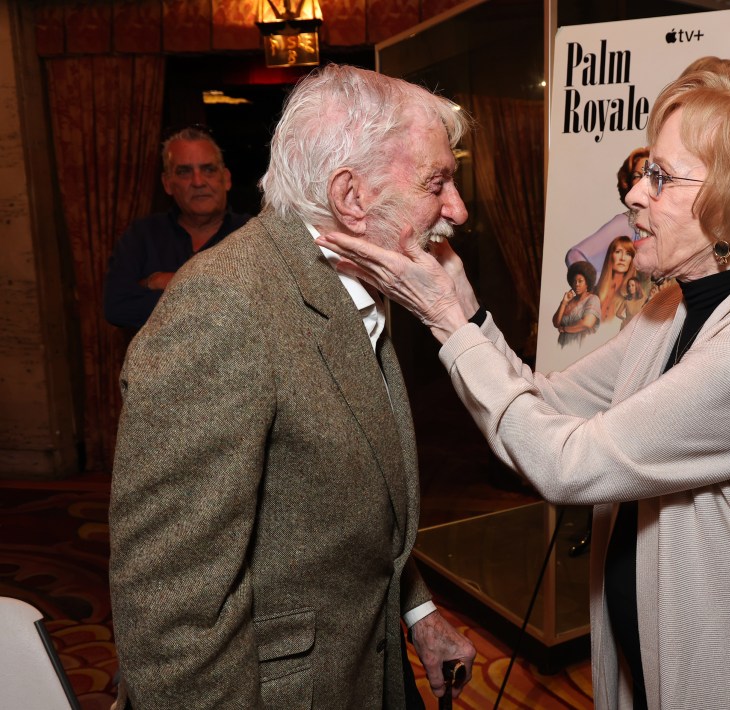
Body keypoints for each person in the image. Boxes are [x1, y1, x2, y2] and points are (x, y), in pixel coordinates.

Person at [316, 56, 730, 709]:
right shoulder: (669, 307)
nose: (633, 195)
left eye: (660, 176)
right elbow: (548, 404)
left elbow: (569, 464)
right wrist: (471, 312)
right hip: (645, 656)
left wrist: (447, 324)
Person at [108, 65, 476, 709]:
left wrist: (418, 615)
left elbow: (345, 506)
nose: (457, 209)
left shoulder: (351, 284)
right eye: (437, 183)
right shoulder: (225, 306)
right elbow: (171, 610)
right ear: (351, 197)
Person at [103, 126, 250, 335]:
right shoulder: (142, 236)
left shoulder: (252, 235)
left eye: (208, 169)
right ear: (167, 183)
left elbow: (265, 307)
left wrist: (159, 282)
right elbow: (118, 308)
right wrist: (218, 299)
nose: (198, 182)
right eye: (184, 172)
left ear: (226, 179)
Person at [564, 146, 648, 273]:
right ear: (629, 183)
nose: (644, 181)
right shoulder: (626, 222)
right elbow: (575, 256)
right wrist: (600, 288)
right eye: (637, 176)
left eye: (651, 175)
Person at [553, 260, 601, 347]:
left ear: (587, 282)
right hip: (561, 347)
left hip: (579, 347)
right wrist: (563, 303)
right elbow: (556, 323)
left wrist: (564, 329)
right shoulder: (569, 301)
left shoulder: (593, 299)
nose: (576, 284)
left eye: (580, 281)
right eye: (574, 281)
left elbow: (587, 323)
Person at [594, 235, 638, 323]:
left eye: (628, 254)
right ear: (610, 256)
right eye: (618, 252)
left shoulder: (633, 294)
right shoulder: (594, 291)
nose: (622, 258)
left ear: (632, 259)